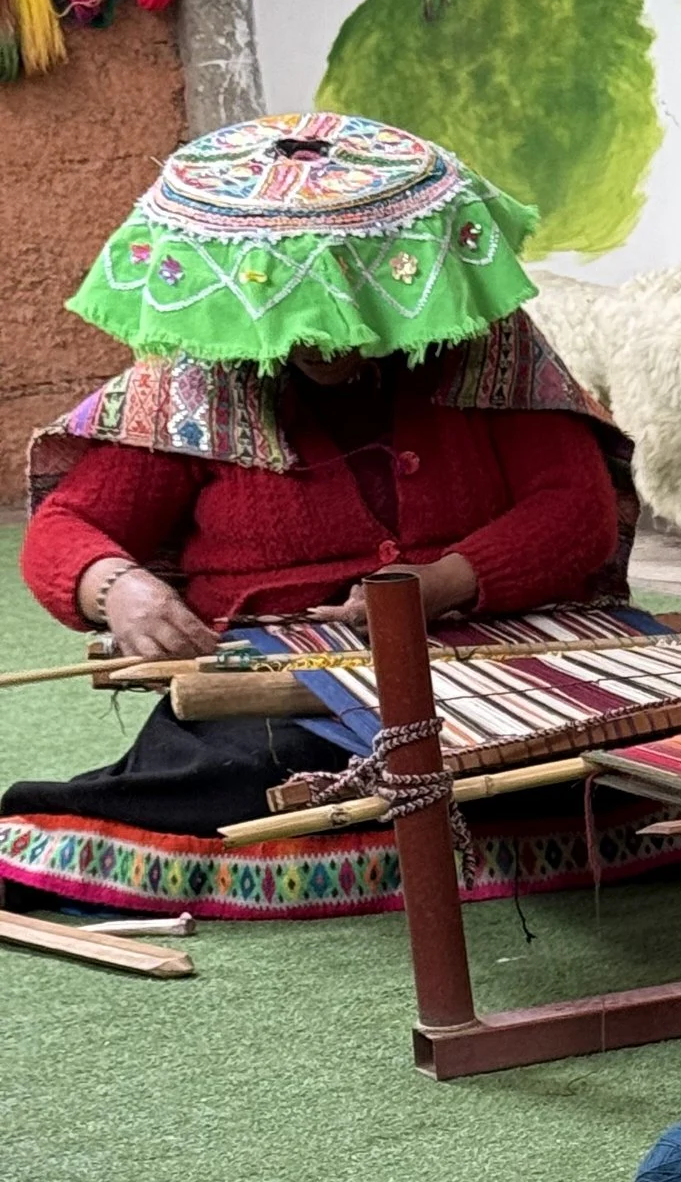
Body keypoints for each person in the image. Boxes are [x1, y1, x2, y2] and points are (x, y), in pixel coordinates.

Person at [2, 113, 635, 912]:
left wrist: (435, 585)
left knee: (599, 745)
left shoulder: (482, 341)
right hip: (285, 679)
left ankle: (367, 824)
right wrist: (115, 587)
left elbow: (578, 512)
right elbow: (67, 529)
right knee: (247, 760)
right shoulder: (199, 378)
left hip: (477, 653)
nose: (327, 338)